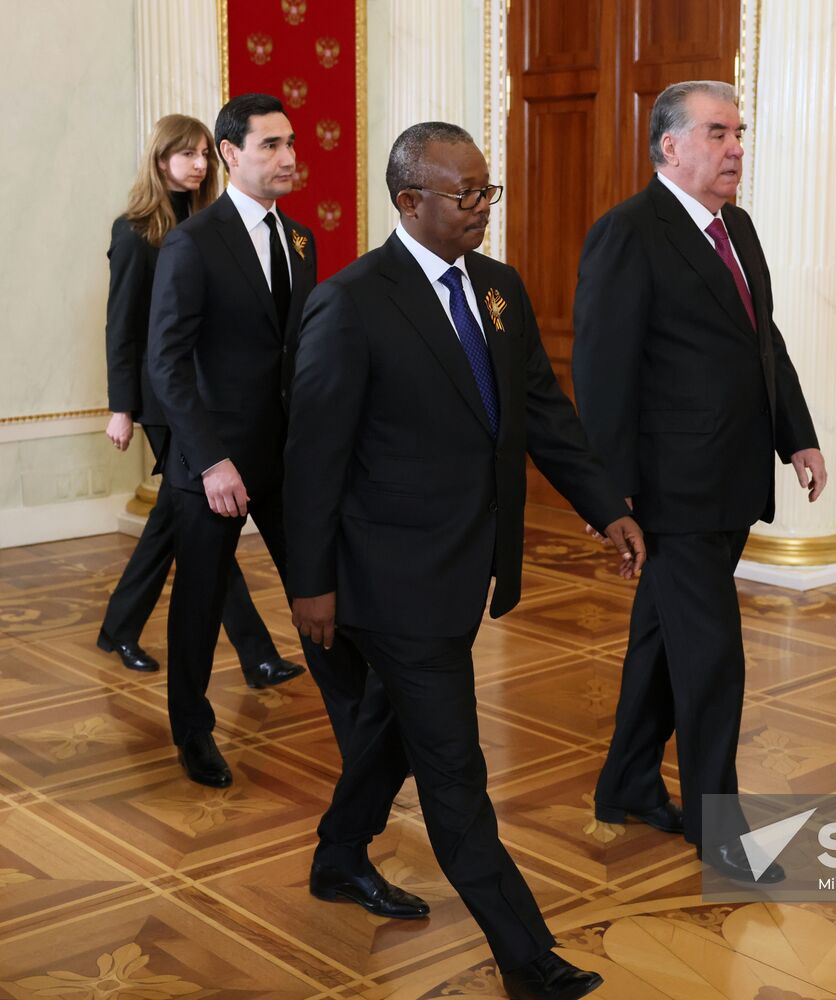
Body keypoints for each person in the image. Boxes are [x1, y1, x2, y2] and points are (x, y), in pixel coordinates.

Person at [285, 122, 639, 1000]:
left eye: (488, 191)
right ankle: (528, 959)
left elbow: (542, 413)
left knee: (392, 727)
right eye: (465, 193)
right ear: (410, 201)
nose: (483, 207)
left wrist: (607, 507)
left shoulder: (499, 289)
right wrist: (311, 584)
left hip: (465, 567)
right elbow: (313, 457)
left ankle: (338, 855)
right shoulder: (352, 302)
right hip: (389, 579)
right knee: (454, 769)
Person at [571, 80, 827, 882]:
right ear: (670, 145)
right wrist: (607, 495)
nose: (735, 148)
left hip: (732, 479)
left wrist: (797, 435)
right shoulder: (628, 232)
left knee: (662, 642)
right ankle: (721, 830)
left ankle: (627, 782)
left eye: (738, 132)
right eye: (718, 133)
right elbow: (602, 369)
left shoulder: (735, 226)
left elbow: (762, 340)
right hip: (672, 492)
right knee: (713, 658)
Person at [147, 94, 367, 789]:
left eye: (291, 143)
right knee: (199, 604)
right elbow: (166, 363)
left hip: (287, 458)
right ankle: (192, 732)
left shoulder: (300, 239)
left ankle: (359, 728)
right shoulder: (192, 242)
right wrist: (211, 459)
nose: (288, 157)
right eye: (270, 145)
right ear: (230, 153)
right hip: (211, 462)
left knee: (318, 586)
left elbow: (296, 353)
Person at [98, 113, 304, 691]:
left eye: (201, 155)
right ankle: (255, 653)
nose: (197, 164)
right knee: (201, 523)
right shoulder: (135, 231)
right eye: (184, 154)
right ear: (159, 159)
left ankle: (120, 625)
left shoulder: (212, 223)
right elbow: (123, 326)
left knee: (180, 526)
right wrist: (121, 406)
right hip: (167, 403)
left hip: (208, 396)